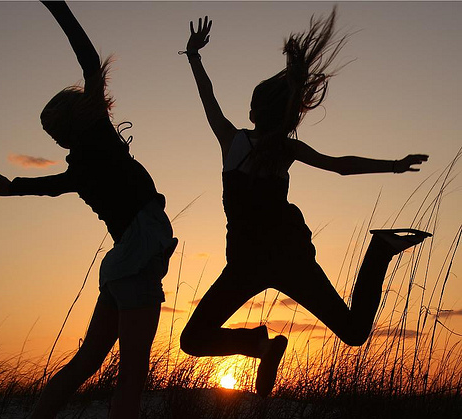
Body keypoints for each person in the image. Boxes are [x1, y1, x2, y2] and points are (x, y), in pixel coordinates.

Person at [0, 2, 177, 419]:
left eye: (52, 127)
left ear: (73, 120)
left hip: (122, 263)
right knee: (130, 378)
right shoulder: (92, 152)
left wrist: (15, 187)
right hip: (135, 258)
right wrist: (60, 7)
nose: (51, 135)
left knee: (88, 361)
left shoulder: (90, 151)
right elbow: (52, 184)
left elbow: (88, 64)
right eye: (49, 131)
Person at [179, 11, 430, 398]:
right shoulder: (284, 150)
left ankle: (256, 344)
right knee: (354, 332)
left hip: (253, 262)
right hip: (282, 258)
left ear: (253, 113)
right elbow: (340, 166)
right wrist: (393, 165)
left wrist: (194, 56)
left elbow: (207, 97)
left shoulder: (233, 141)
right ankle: (378, 252)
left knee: (193, 340)